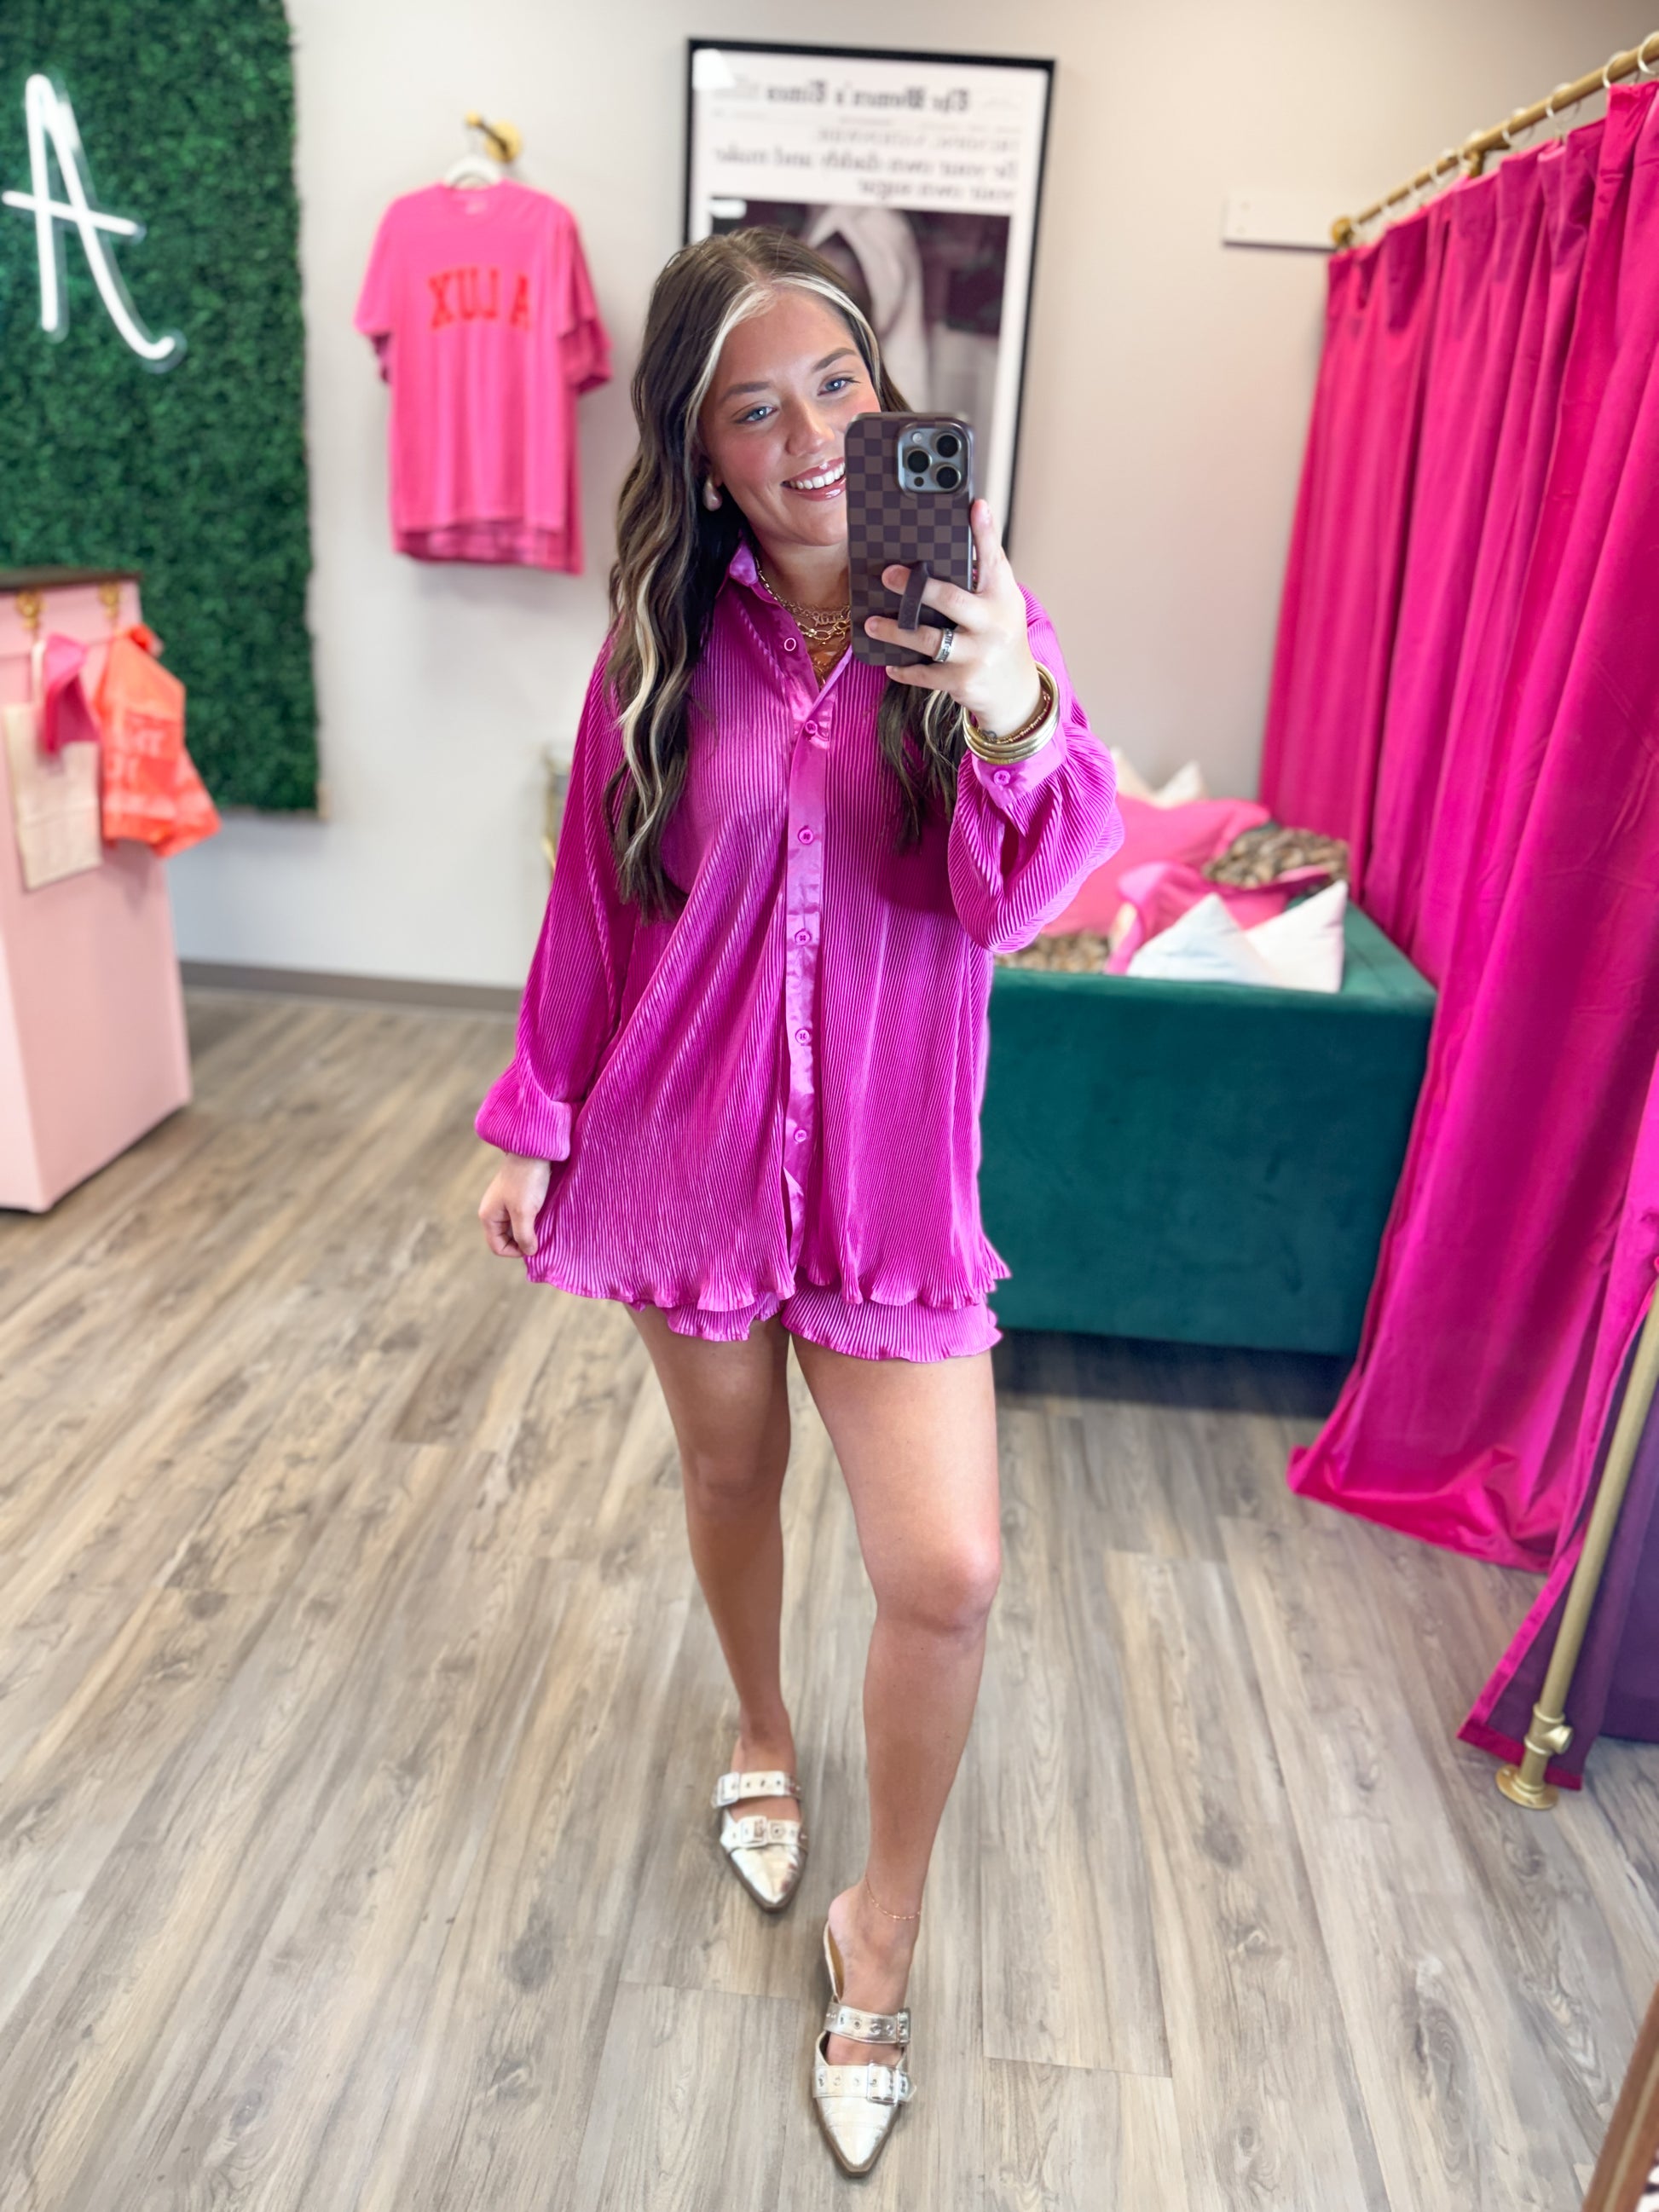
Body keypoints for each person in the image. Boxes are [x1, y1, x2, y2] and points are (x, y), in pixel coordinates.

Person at [476, 227, 1122, 2175]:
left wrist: (1008, 695)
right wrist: (535, 1113)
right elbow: (597, 902)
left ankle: (880, 1925)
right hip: (681, 1144)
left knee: (948, 1569)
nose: (810, 434)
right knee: (728, 1471)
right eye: (752, 409)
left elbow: (1031, 887)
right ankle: (758, 1727)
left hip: (889, 1176)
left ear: (884, 386)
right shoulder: (662, 648)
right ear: (701, 452)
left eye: (835, 383)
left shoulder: (978, 611)